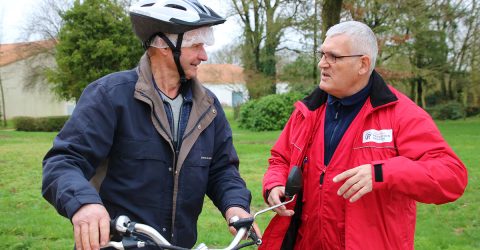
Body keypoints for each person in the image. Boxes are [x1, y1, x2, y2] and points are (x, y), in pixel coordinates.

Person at [42, 1, 259, 249]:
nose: (204, 55)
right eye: (196, 45)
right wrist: (84, 203)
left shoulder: (208, 106)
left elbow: (221, 169)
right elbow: (63, 161)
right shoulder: (109, 96)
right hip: (119, 244)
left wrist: (235, 205)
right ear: (164, 45)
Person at [260, 21, 468, 250]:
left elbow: (452, 176)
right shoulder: (308, 111)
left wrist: (384, 172)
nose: (322, 64)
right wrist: (275, 184)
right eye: (322, 54)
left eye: (334, 57)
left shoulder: (401, 114)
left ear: (363, 64)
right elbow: (280, 159)